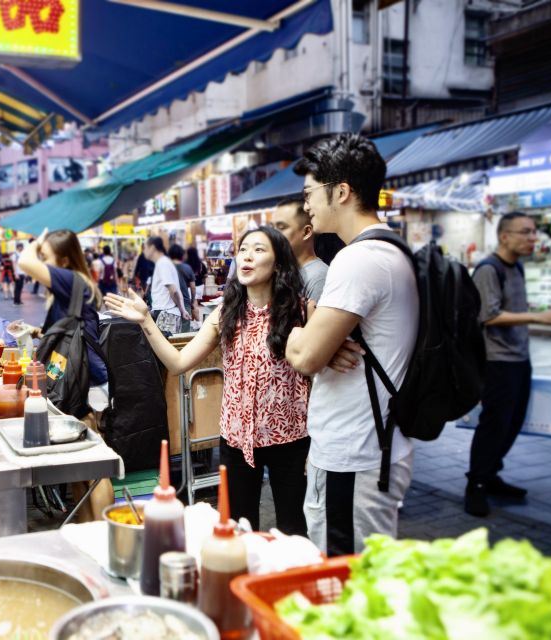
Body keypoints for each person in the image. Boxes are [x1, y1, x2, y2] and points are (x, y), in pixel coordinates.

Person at [106, 226, 310, 534]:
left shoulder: (302, 311)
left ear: (278, 263)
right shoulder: (226, 312)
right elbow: (177, 363)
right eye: (243, 250)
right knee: (239, 530)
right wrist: (146, 320)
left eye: (258, 249)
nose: (247, 256)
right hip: (236, 440)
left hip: (291, 441)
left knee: (294, 531)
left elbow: (320, 370)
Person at [285, 133, 418, 556]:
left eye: (310, 194)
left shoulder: (358, 259)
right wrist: (317, 336)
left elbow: (305, 356)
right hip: (372, 446)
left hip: (354, 452)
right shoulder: (392, 249)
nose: (307, 205)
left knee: (345, 581)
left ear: (340, 192)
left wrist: (292, 330)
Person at [465, 212, 551, 516]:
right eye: (526, 232)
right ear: (504, 236)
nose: (533, 238)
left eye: (534, 232)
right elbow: (488, 316)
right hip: (497, 363)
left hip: (520, 359)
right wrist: (537, 317)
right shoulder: (488, 269)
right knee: (494, 425)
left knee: (513, 423)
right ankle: (476, 485)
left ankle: (491, 474)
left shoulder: (516, 267)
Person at [18, 229, 113, 520]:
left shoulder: (72, 279)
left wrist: (35, 243)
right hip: (74, 381)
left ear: (65, 259)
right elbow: (66, 332)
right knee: (77, 467)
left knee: (95, 466)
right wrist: (38, 332)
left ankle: (104, 531)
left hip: (88, 383)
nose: (41, 262)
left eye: (46, 257)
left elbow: (24, 261)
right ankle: (86, 532)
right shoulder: (69, 285)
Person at [270, 196, 328, 302]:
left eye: (281, 227)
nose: (272, 234)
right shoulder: (282, 271)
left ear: (306, 232)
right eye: (271, 227)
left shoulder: (318, 277)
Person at [143, 237, 189, 334]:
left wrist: (182, 310)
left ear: (152, 247)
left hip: (166, 314)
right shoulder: (163, 262)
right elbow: (176, 290)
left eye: (145, 247)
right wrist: (183, 310)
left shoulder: (163, 263)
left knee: (165, 347)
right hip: (166, 313)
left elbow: (174, 290)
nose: (144, 251)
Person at [169, 243, 198, 331]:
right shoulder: (187, 268)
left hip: (169, 303)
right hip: (185, 301)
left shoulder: (166, 268)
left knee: (170, 330)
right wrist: (193, 300)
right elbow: (193, 287)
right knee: (185, 330)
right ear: (181, 254)